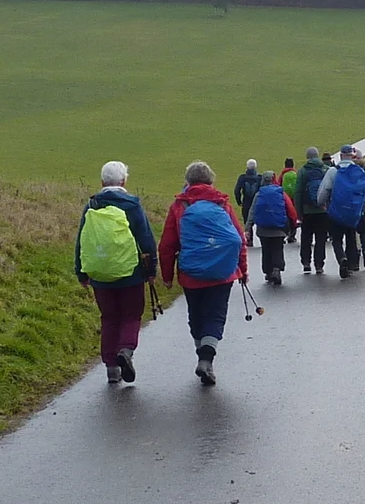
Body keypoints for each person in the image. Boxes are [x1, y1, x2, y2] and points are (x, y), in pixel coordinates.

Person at [160, 161, 248, 386]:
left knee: (196, 317)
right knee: (215, 316)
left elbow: (168, 245)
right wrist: (242, 270)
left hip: (191, 274)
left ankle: (202, 355)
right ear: (211, 180)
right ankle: (206, 360)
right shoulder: (222, 203)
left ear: (187, 181)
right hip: (222, 273)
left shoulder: (180, 206)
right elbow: (238, 239)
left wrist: (168, 276)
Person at [75, 161, 157, 385]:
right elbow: (146, 240)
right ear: (124, 181)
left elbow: (82, 241)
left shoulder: (92, 205)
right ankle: (126, 351)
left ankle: (111, 369)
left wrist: (81, 272)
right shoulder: (132, 205)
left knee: (109, 318)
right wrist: (151, 271)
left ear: (102, 182)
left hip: (100, 274)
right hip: (130, 273)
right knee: (131, 315)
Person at [317, 145, 365, 279]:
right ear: (353, 157)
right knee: (351, 236)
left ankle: (342, 259)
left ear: (341, 156)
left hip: (336, 213)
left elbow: (323, 192)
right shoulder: (358, 171)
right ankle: (352, 263)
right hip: (354, 213)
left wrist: (322, 204)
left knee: (336, 239)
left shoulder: (333, 172)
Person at [245, 171, 298, 286]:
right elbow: (290, 209)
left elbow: (252, 212)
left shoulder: (259, 194)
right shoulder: (280, 193)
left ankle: (268, 271)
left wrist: (248, 228)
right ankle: (277, 269)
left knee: (266, 250)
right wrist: (293, 224)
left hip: (263, 229)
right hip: (278, 228)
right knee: (277, 249)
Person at [295, 147, 330, 275]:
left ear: (307, 157)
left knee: (306, 237)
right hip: (322, 210)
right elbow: (330, 190)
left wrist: (299, 213)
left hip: (307, 210)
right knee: (321, 238)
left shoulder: (302, 171)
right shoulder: (325, 170)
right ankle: (319, 264)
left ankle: (306, 262)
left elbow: (298, 193)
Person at [234, 159, 261, 246]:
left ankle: (249, 239)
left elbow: (237, 190)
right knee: (259, 220)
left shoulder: (242, 178)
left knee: (247, 221)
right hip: (257, 203)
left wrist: (239, 201)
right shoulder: (259, 178)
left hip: (246, 202)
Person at [275, 158, 298, 243]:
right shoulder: (295, 174)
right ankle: (292, 235)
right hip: (294, 199)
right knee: (294, 216)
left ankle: (285, 234)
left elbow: (278, 185)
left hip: (285, 199)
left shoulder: (283, 174)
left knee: (286, 217)